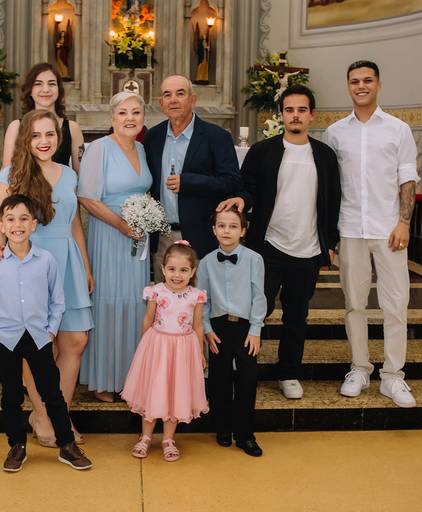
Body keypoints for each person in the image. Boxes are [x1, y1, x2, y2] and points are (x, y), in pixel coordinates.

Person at [218, 85, 341, 400]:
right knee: (254, 309)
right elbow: (248, 188)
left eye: (301, 110)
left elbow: (333, 201)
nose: (295, 116)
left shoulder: (325, 155)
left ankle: (289, 372)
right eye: (289, 110)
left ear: (311, 115)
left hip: (308, 249)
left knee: (297, 315)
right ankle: (243, 364)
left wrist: (330, 242)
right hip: (268, 247)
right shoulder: (263, 151)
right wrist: (241, 200)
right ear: (281, 115)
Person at [0, 109, 93, 445]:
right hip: (28, 263)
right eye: (36, 135)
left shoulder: (69, 175)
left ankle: (58, 412)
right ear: (26, 140)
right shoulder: (12, 173)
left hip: (67, 261)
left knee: (75, 341)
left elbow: (74, 223)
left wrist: (85, 265)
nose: (43, 141)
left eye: (50, 134)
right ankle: (42, 414)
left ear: (58, 139)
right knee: (34, 343)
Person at [324, 60, 419, 408]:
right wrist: (330, 235)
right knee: (354, 304)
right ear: (348, 86)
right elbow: (331, 187)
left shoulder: (398, 129)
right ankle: (360, 369)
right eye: (354, 81)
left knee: (395, 305)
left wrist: (404, 222)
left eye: (367, 80)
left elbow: (407, 178)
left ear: (378, 84)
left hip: (389, 228)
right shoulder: (335, 133)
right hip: (350, 228)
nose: (361, 86)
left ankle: (392, 376)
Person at [0, 194, 92, 472]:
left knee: (52, 393)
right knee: (11, 397)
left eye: (23, 219)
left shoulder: (46, 260)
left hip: (40, 337)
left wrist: (51, 330)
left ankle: (66, 445)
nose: (17, 225)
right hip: (7, 338)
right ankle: (16, 445)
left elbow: (58, 300)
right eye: (10, 219)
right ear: (2, 226)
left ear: (33, 224)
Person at [78, 91, 153, 402]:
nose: (130, 118)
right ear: (112, 117)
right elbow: (87, 197)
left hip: (137, 240)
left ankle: (128, 378)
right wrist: (122, 225)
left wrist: (144, 220)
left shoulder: (141, 149)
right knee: (108, 303)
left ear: (143, 118)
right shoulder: (99, 149)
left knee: (134, 304)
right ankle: (102, 380)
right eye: (123, 113)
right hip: (109, 235)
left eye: (136, 112)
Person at [143, 74, 240, 278]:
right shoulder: (153, 137)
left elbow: (231, 182)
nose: (173, 100)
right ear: (161, 103)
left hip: (201, 238)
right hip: (162, 238)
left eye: (180, 93)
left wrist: (189, 182)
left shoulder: (217, 137)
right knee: (165, 296)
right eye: (167, 95)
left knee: (203, 296)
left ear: (192, 99)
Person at [121, 241, 208, 461]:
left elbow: (198, 326)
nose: (177, 275)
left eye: (183, 270)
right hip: (157, 349)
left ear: (192, 272)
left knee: (175, 394)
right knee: (153, 392)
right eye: (172, 269)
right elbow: (147, 320)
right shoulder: (156, 292)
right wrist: (144, 348)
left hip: (182, 352)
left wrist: (200, 353)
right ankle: (145, 437)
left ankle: (168, 440)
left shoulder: (196, 296)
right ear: (163, 269)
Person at [197, 207, 266, 457]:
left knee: (247, 380)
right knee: (219, 381)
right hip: (218, 329)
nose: (227, 231)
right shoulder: (205, 262)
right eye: (222, 226)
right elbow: (203, 301)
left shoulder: (254, 259)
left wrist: (256, 329)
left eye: (233, 226)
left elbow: (259, 296)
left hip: (246, 328)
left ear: (243, 231)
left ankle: (246, 435)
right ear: (214, 230)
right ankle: (223, 428)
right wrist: (206, 330)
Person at [2, 62, 83, 171]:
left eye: (51, 84)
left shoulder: (73, 128)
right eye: (38, 84)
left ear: (59, 90)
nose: (46, 90)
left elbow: (81, 174)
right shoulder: (16, 127)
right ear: (30, 90)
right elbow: (6, 171)